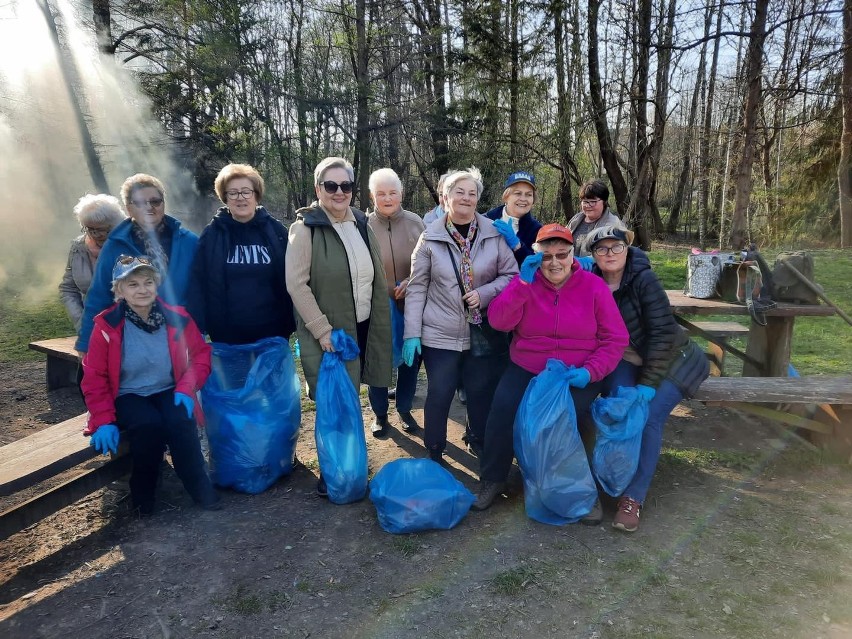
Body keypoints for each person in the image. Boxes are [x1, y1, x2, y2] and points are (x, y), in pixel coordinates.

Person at [472, 223, 629, 516]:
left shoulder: (593, 286)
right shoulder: (526, 282)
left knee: (572, 414)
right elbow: (498, 322)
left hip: (576, 368)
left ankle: (582, 490)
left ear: (573, 256)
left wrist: (591, 371)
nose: (554, 262)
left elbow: (615, 338)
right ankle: (493, 478)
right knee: (503, 408)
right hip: (529, 365)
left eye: (562, 254)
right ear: (536, 257)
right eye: (547, 255)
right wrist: (521, 285)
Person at [585, 224, 710, 532]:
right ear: (593, 256)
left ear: (627, 249)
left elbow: (662, 336)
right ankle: (614, 476)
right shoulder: (591, 281)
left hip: (672, 360)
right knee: (618, 405)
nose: (610, 253)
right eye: (602, 249)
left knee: (648, 417)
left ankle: (633, 496)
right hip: (628, 358)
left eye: (617, 247)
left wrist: (648, 384)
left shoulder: (644, 280)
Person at [285, 157, 392, 496]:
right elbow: (296, 285)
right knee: (335, 406)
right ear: (318, 189)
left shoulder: (361, 221)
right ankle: (335, 472)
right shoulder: (305, 229)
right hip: (332, 333)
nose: (339, 192)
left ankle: (352, 463)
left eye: (345, 185)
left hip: (362, 324)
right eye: (330, 186)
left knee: (352, 398)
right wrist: (322, 330)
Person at [81, 256, 220, 515]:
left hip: (168, 387)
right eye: (132, 284)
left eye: (148, 282)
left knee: (181, 423)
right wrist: (103, 420)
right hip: (128, 393)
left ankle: (201, 489)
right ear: (119, 290)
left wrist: (187, 387)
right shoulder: (106, 325)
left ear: (157, 286)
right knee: (148, 427)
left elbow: (201, 355)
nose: (142, 290)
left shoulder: (176, 317)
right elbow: (94, 376)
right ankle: (143, 497)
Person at [402, 167, 518, 462]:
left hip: (481, 332)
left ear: (478, 199)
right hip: (439, 333)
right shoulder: (429, 238)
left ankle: (477, 439)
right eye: (459, 192)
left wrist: (485, 293)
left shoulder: (493, 234)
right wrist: (412, 334)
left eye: (472, 193)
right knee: (440, 393)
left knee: (479, 393)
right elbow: (416, 289)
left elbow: (511, 275)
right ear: (445, 197)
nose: (466, 198)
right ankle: (435, 448)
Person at [75, 174, 198, 354]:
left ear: (163, 203)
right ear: (128, 208)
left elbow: (205, 290)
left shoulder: (189, 241)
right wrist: (85, 344)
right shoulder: (115, 245)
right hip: (133, 340)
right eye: (140, 203)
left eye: (155, 201)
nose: (149, 207)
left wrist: (200, 330)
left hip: (182, 336)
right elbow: (99, 296)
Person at [187, 163, 295, 344]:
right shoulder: (213, 234)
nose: (240, 198)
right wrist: (198, 326)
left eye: (246, 191)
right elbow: (198, 282)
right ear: (225, 197)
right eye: (233, 193)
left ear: (256, 195)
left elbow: (292, 277)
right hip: (227, 336)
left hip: (273, 334)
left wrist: (290, 323)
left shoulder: (276, 232)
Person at [365, 168, 426, 437]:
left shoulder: (416, 223)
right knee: (377, 361)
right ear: (372, 196)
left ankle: (403, 408)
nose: (387, 198)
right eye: (381, 193)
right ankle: (379, 415)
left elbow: (428, 263)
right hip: (376, 308)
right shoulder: (362, 225)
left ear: (401, 193)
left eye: (392, 192)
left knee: (410, 361)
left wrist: (410, 283)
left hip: (411, 305)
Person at [60, 194, 126, 331]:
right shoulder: (78, 248)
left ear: (116, 225)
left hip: (128, 329)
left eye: (101, 229)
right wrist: (81, 322)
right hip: (92, 330)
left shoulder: (130, 246)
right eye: (90, 229)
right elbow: (68, 289)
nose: (96, 234)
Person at [485, 171, 543, 266]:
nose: (523, 199)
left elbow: (536, 267)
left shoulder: (537, 230)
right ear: (506, 197)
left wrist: (517, 246)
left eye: (528, 195)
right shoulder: (486, 220)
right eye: (518, 193)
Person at [567, 179, 621, 256]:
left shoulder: (612, 224)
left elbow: (610, 255)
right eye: (585, 202)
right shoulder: (576, 219)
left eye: (593, 202)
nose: (588, 205)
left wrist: (586, 261)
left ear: (604, 202)